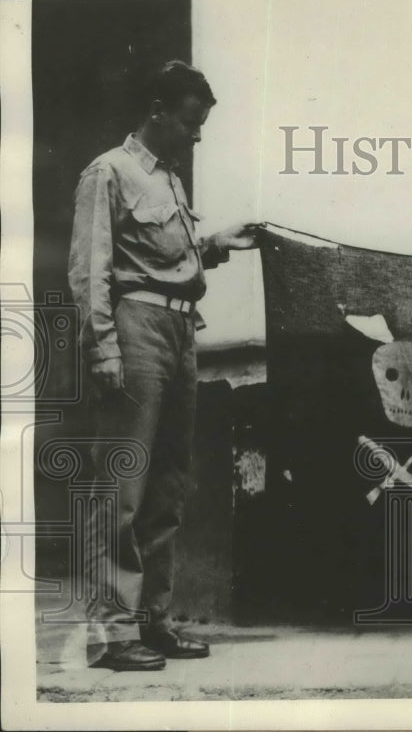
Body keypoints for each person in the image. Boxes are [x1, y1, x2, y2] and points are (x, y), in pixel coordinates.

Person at [69, 60, 261, 670]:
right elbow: (91, 268)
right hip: (136, 329)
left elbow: (166, 256)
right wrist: (102, 347)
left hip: (180, 329)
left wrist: (216, 244)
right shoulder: (109, 171)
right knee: (123, 484)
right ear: (157, 112)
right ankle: (111, 632)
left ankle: (151, 621)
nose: (197, 135)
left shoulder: (170, 179)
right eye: (189, 122)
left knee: (169, 484)